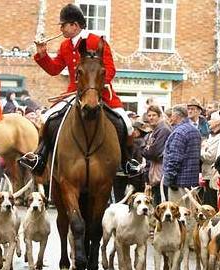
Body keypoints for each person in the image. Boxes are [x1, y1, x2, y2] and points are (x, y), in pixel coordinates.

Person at [19, 3, 135, 176]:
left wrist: (95, 87)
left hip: (100, 91)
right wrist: (43, 54)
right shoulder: (65, 46)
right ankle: (40, 157)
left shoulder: (97, 41)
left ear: (74, 25)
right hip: (74, 92)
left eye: (63, 25)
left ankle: (127, 162)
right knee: (46, 119)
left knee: (127, 124)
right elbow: (55, 69)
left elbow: (110, 69)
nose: (61, 28)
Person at [162, 105, 201, 203]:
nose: (170, 118)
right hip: (191, 182)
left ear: (176, 115)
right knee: (189, 214)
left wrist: (169, 180)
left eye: (171, 115)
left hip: (178, 183)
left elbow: (175, 159)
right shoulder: (195, 130)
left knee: (179, 214)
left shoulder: (179, 133)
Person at [142, 105, 171, 205]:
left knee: (161, 204)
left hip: (161, 173)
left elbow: (154, 152)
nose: (151, 117)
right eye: (149, 115)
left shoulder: (163, 129)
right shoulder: (156, 130)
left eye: (154, 115)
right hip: (155, 173)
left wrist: (146, 150)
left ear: (159, 116)